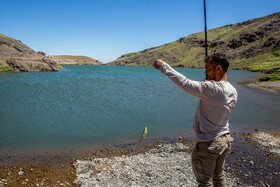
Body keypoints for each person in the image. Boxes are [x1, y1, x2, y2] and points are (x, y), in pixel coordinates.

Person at [154, 53, 238, 187]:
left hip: (210, 143)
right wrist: (209, 84)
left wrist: (164, 67)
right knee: (218, 177)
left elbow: (184, 83)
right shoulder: (232, 90)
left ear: (218, 69)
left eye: (208, 68)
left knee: (204, 182)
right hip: (225, 139)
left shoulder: (210, 89)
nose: (205, 72)